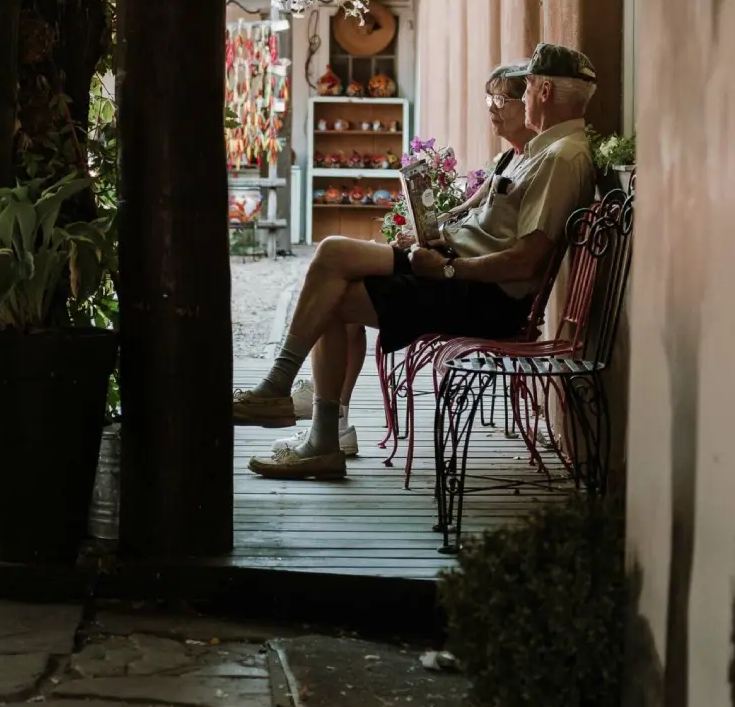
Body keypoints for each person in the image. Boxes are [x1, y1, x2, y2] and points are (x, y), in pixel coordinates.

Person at [233, 44, 598, 481]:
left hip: (481, 295)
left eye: (512, 95)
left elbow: (525, 261)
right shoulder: (544, 151)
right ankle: (289, 398)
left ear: (540, 90)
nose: (500, 106)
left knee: (332, 296)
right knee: (331, 252)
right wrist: (439, 249)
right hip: (458, 271)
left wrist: (445, 269)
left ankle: (316, 432)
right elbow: (488, 228)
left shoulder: (561, 157)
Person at [269, 61, 536, 459]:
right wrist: (428, 228)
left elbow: (519, 256)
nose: (492, 108)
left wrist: (444, 258)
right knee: (332, 260)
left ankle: (300, 402)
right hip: (448, 258)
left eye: (501, 99)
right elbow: (463, 212)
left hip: (462, 279)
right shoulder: (508, 160)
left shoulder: (541, 162)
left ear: (529, 102)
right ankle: (319, 417)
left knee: (334, 276)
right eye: (489, 98)